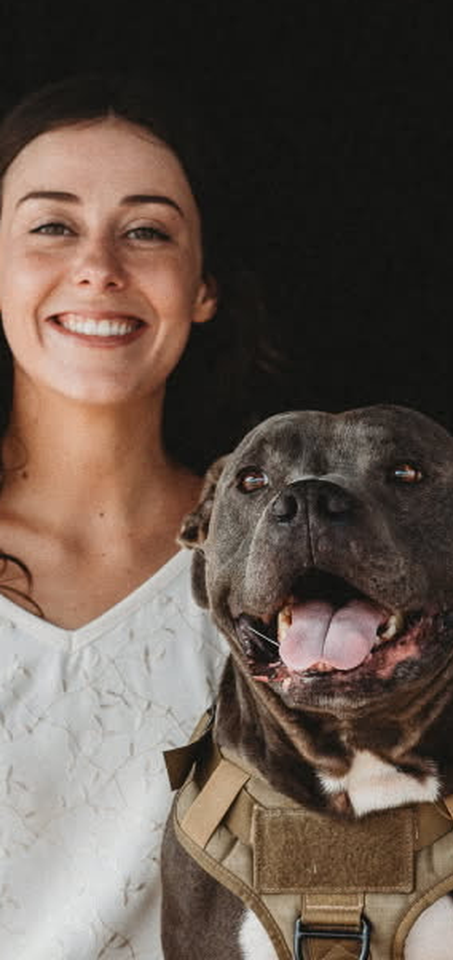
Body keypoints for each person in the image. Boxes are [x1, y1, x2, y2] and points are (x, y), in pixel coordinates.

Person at [0, 75, 271, 958]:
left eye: (147, 231)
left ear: (205, 287)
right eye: (52, 226)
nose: (99, 267)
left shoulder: (277, 568)